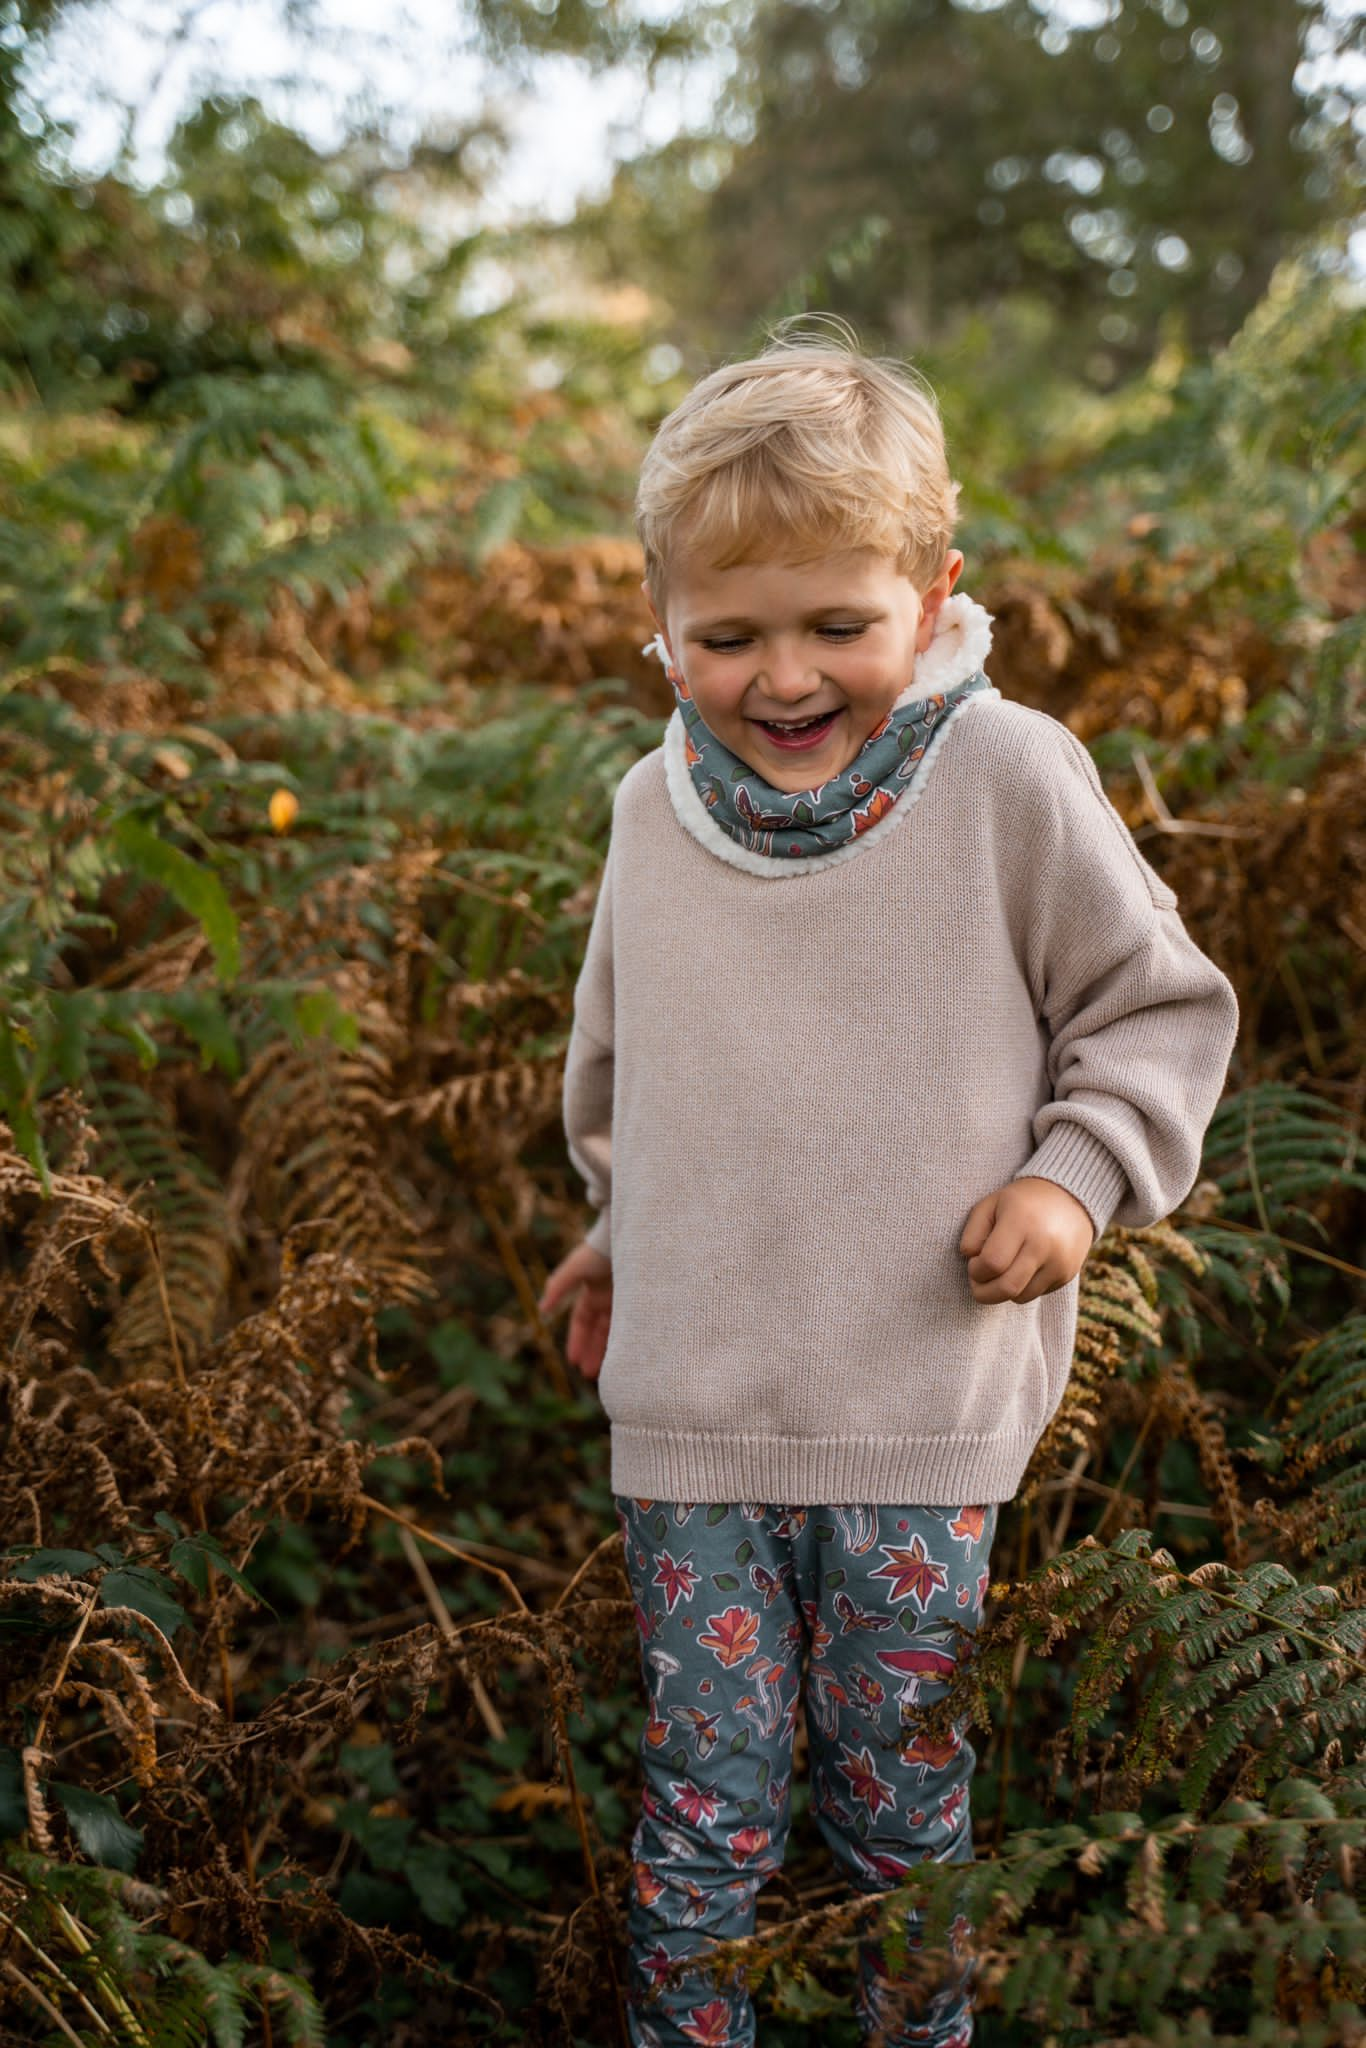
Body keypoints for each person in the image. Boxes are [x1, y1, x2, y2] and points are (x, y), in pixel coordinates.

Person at [536, 322, 1240, 2048]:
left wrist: (1075, 1179)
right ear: (663, 624)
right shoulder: (650, 810)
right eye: (728, 636)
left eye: (835, 626)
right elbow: (635, 1078)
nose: (783, 676)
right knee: (703, 1792)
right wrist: (619, 1231)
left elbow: (1151, 1009)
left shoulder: (1004, 778)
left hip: (914, 1403)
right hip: (696, 1403)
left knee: (895, 1791)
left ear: (930, 596)